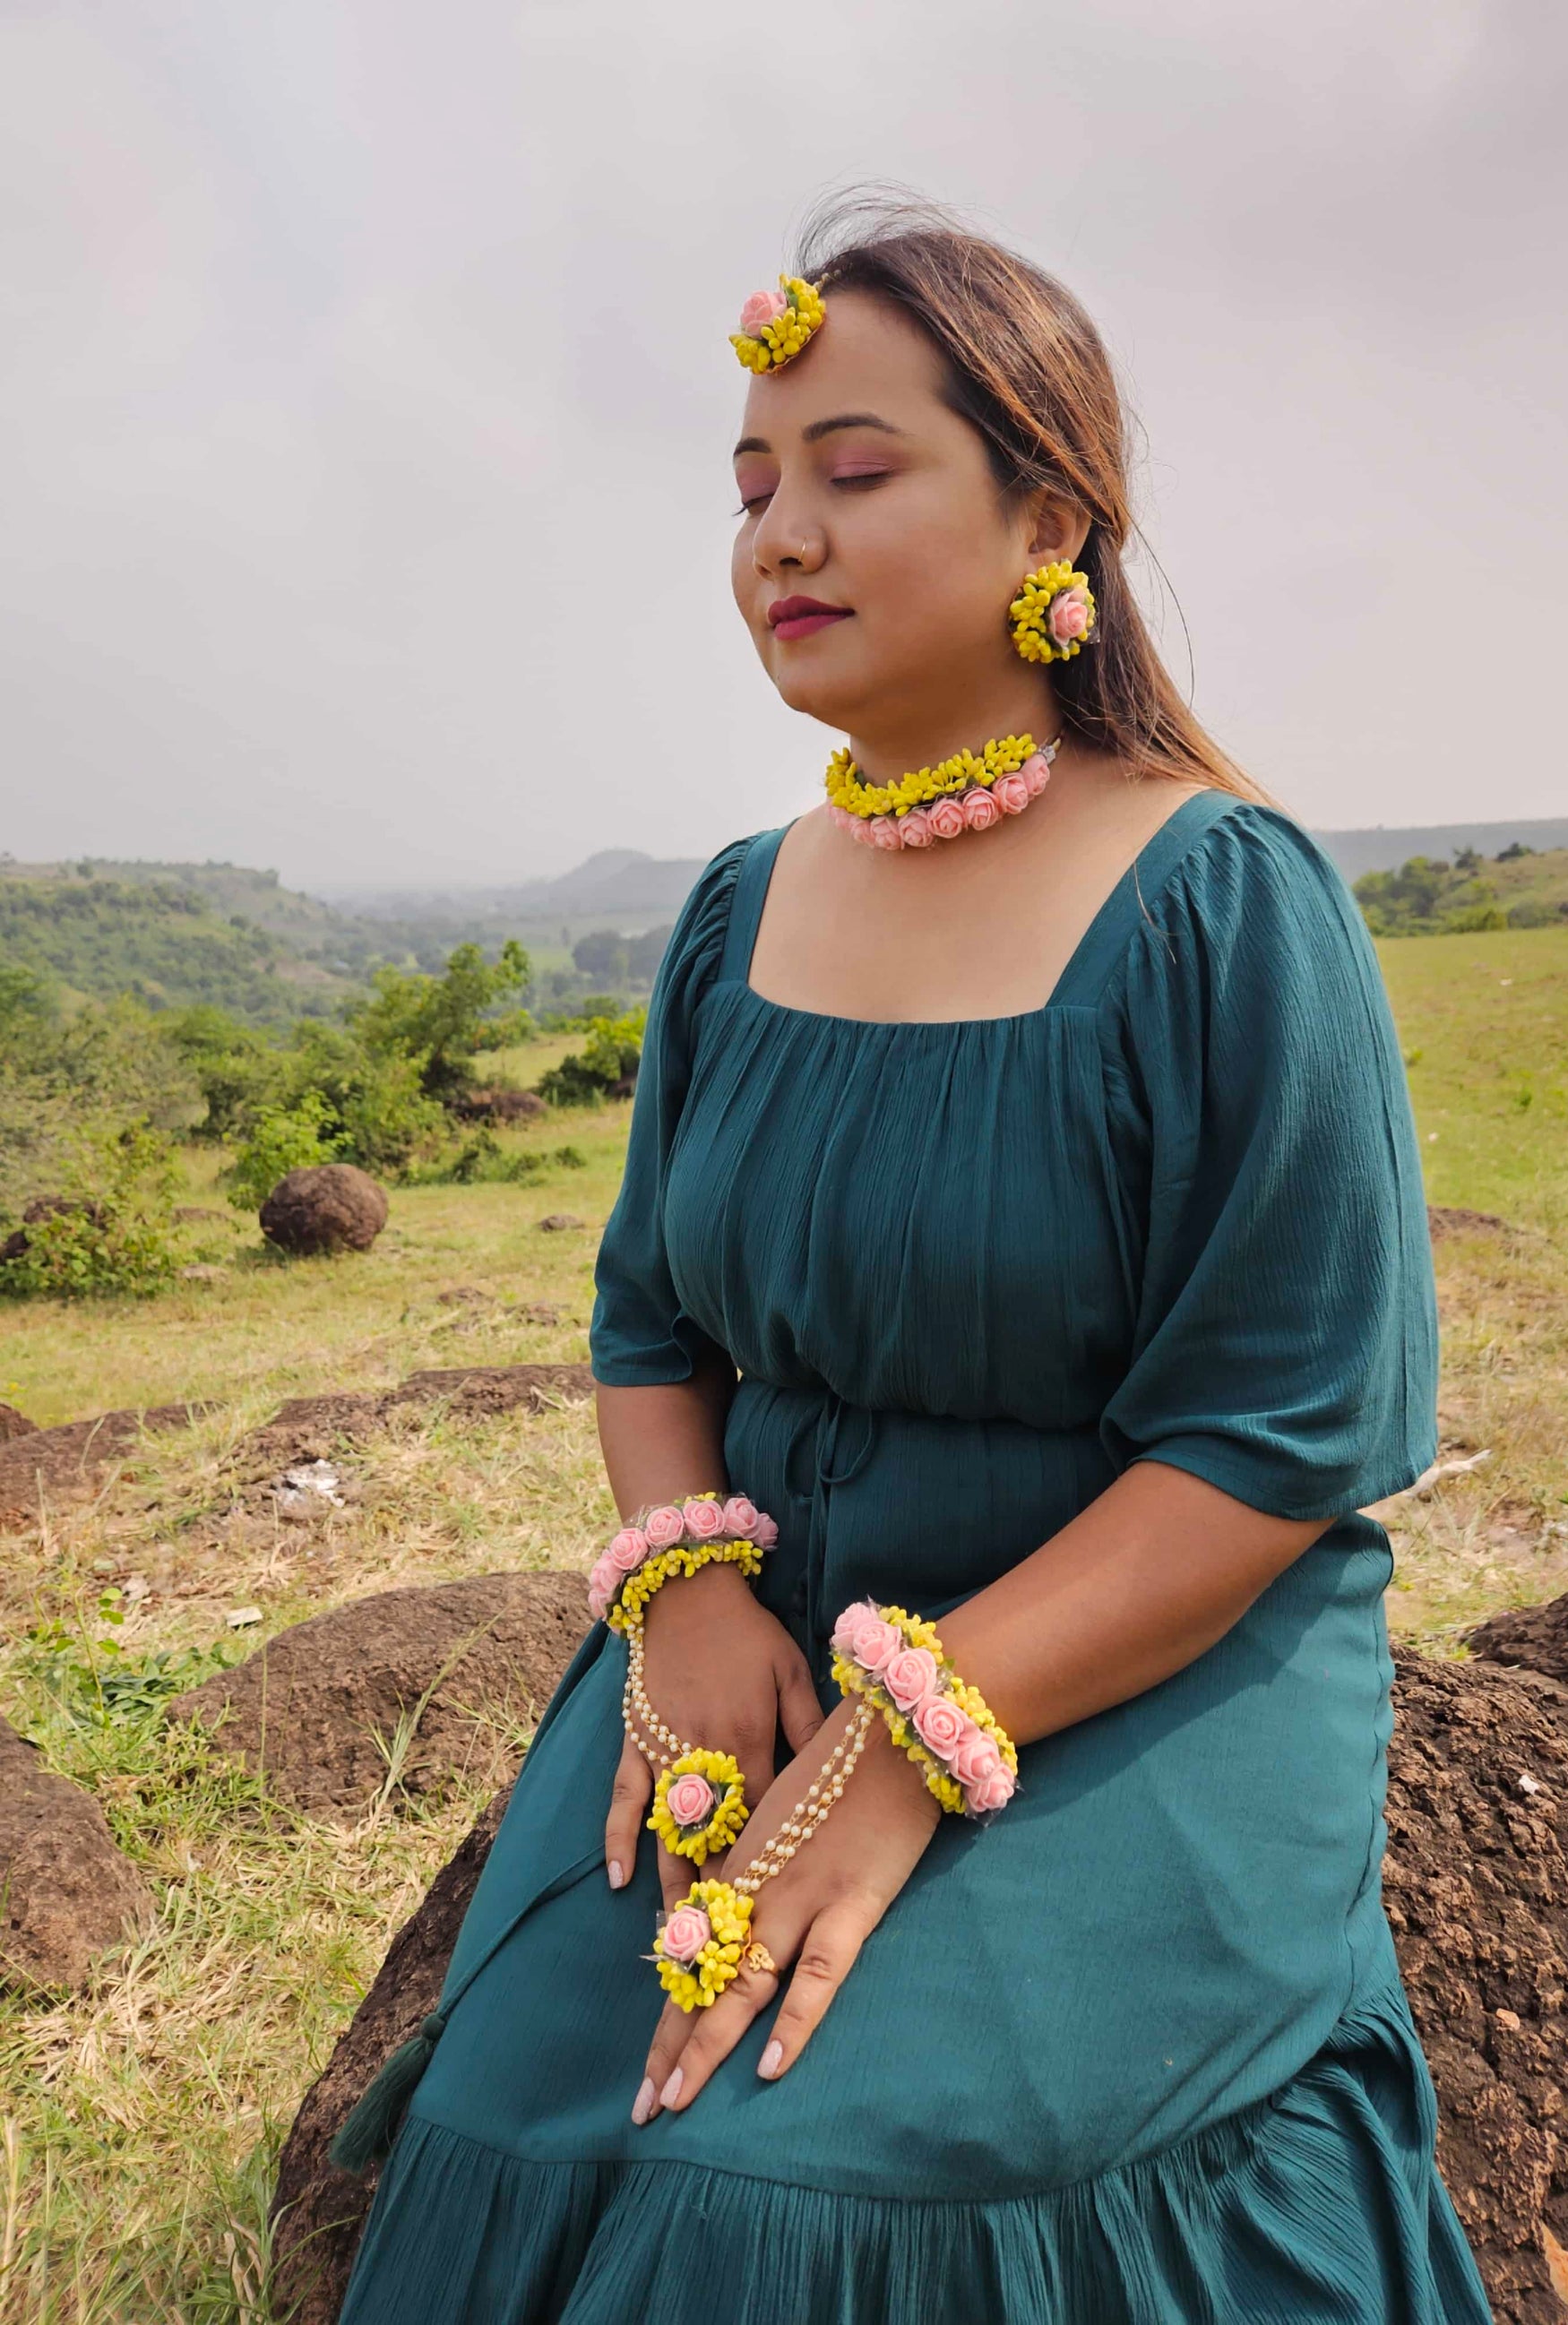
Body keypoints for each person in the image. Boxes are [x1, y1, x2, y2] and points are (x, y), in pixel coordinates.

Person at [332, 200, 1493, 2324]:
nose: (781, 533)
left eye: (857, 472)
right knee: (526, 2103)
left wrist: (907, 1735)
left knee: (821, 2184)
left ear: (1049, 506)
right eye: (753, 486)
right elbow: (647, 1314)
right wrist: (678, 1594)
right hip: (761, 1630)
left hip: (1125, 1665)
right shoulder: (731, 907)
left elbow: (1278, 1434)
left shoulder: (1224, 906)